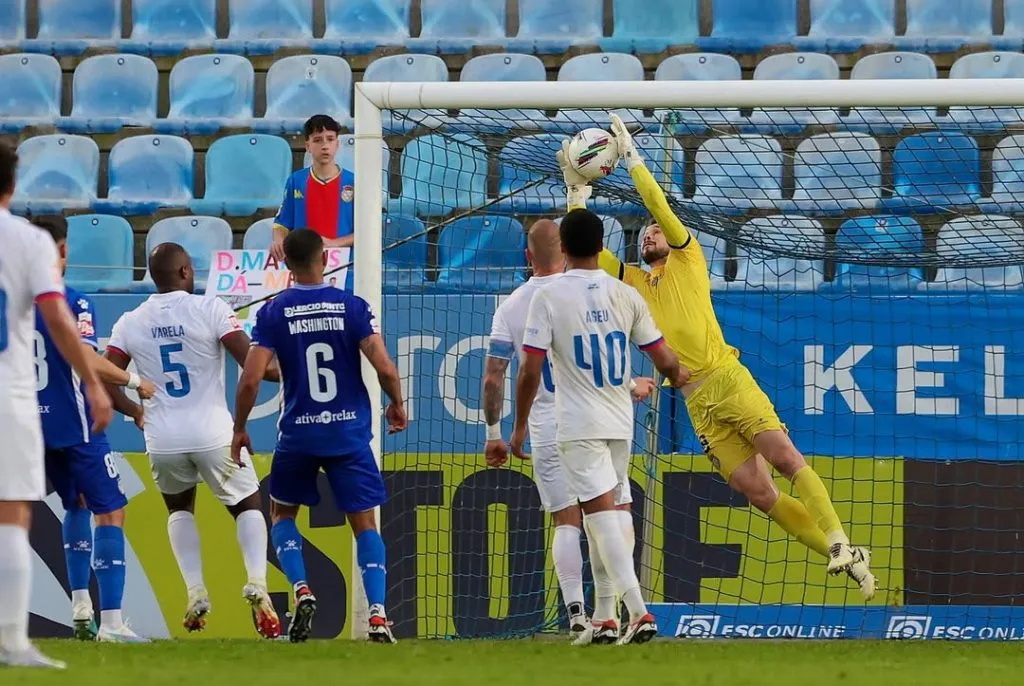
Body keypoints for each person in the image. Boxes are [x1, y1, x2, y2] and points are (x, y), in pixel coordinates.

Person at [567, 114, 876, 599]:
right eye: (643, 234)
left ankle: (837, 536)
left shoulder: (688, 258)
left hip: (726, 377)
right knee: (759, 494)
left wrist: (632, 161)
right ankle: (848, 557)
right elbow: (585, 255)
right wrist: (577, 195)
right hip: (696, 402)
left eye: (654, 232)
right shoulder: (630, 282)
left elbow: (660, 207)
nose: (648, 235)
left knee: (785, 457)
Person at [510, 211, 689, 646]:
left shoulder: (548, 297)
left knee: (598, 514)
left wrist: (518, 429)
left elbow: (530, 370)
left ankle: (638, 610)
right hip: (619, 420)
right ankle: (606, 616)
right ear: (602, 246)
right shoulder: (624, 293)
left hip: (578, 424)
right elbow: (664, 360)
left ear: (564, 249)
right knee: (613, 510)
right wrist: (679, 376)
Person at [483, 219, 654, 643]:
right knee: (614, 511)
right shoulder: (589, 293)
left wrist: (496, 431)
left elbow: (494, 376)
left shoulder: (511, 307)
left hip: (548, 426)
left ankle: (582, 613)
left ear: (527, 257)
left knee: (567, 521)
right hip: (601, 416)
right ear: (563, 251)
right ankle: (611, 611)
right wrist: (634, 384)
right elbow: (595, 362)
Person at [233, 229, 407, 644]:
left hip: (298, 435)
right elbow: (384, 367)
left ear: (285, 266)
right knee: (365, 525)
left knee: (283, 516)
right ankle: (379, 616)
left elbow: (251, 378)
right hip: (348, 433)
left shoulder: (273, 313)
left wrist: (239, 427)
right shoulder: (352, 307)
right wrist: (397, 402)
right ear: (325, 260)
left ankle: (301, 588)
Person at [104, 243, 282, 639]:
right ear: (186, 271)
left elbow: (102, 376)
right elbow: (259, 368)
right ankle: (256, 581)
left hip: (163, 437)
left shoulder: (130, 321)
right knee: (248, 503)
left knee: (179, 509)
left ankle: (195, 589)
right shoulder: (212, 309)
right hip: (212, 432)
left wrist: (133, 410)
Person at [0, 142, 112, 669]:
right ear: (12, 185)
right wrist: (93, 380)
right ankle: (14, 642)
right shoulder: (27, 241)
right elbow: (57, 314)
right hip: (12, 393)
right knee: (13, 513)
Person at [32, 216, 158, 643]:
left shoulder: (8, 302)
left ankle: (80, 605)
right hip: (77, 424)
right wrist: (134, 382)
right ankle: (112, 622)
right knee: (110, 510)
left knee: (76, 505)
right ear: (63, 251)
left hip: (31, 424)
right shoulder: (71, 301)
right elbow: (86, 359)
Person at [270, 115, 354, 263]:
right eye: (317, 140)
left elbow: (367, 231)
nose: (325, 146)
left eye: (330, 139)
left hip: (345, 267)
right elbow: (281, 223)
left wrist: (334, 244)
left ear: (337, 144)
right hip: (304, 265)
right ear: (307, 146)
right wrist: (278, 241)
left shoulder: (353, 182)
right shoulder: (296, 181)